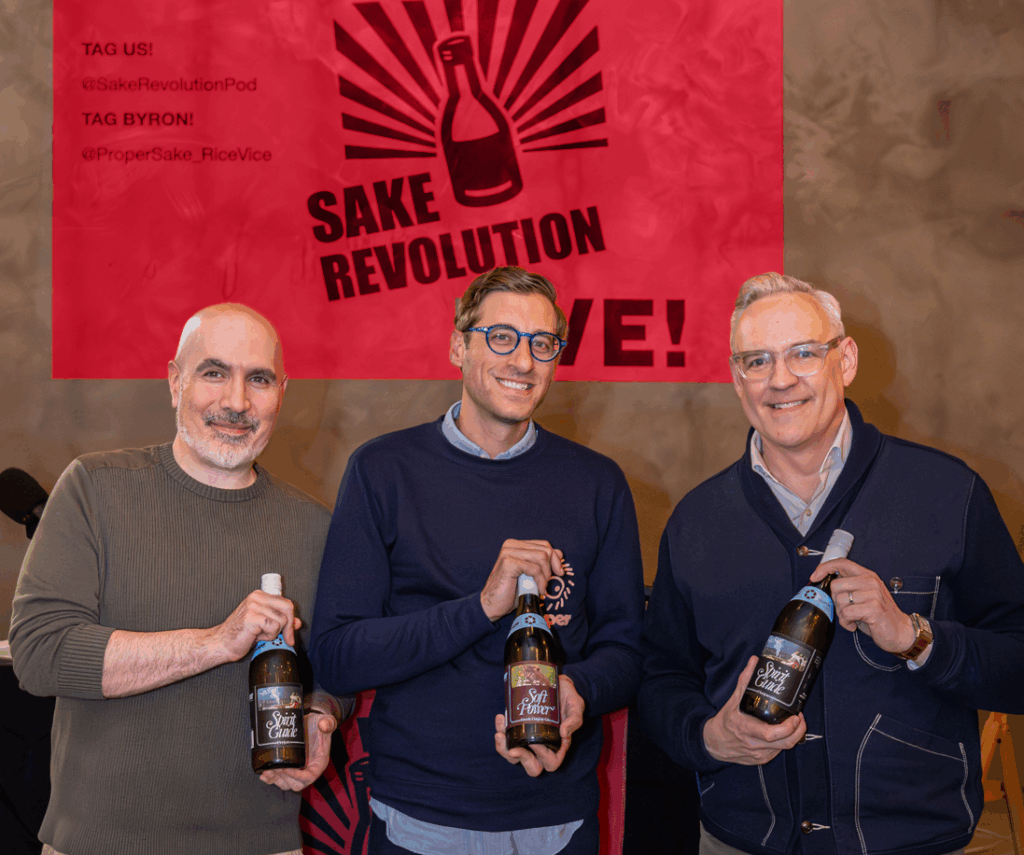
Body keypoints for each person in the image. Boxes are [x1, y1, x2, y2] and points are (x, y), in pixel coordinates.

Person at [638, 272, 1024, 855]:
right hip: (741, 840)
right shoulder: (696, 520)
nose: (780, 379)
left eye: (803, 353)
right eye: (757, 361)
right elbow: (662, 678)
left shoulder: (948, 493)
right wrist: (710, 736)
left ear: (845, 360)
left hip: (913, 841)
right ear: (737, 380)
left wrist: (915, 638)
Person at [309, 267, 645, 855]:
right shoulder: (384, 471)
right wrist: (483, 607)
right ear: (459, 347)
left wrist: (578, 689)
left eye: (543, 343)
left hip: (557, 823)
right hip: (418, 821)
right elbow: (338, 658)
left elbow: (628, 652)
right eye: (502, 337)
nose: (524, 360)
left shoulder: (598, 484)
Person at [9, 304, 345, 855]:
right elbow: (41, 652)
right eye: (214, 372)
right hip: (98, 844)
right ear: (174, 382)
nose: (236, 402)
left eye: (258, 379)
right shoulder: (94, 488)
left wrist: (320, 712)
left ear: (281, 393)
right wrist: (215, 643)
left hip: (262, 845)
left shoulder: (316, 526)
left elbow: (336, 664)